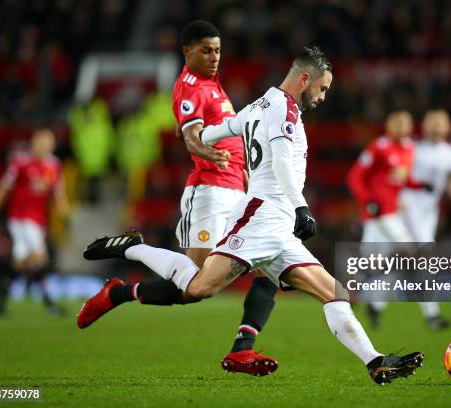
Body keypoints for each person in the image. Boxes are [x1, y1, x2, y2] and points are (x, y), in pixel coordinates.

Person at [77, 47, 424, 385]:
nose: (322, 96)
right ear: (304, 79)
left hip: (279, 228)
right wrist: (301, 206)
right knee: (198, 287)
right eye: (322, 88)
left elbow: (214, 132)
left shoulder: (258, 105)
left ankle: (375, 362)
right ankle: (133, 249)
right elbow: (282, 163)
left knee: (335, 292)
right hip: (259, 218)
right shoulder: (285, 112)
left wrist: (202, 142)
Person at [170, 20, 280, 376]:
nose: (215, 56)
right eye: (206, 50)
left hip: (237, 188)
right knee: (196, 282)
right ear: (187, 51)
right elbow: (190, 136)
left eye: (217, 50)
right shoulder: (189, 88)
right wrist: (207, 152)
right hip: (210, 190)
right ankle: (129, 257)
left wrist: (245, 171)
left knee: (272, 266)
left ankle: (242, 347)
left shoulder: (213, 85)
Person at [346, 111, 450, 330]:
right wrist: (368, 200)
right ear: (389, 125)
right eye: (398, 122)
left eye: (406, 123)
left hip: (388, 214)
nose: (402, 126)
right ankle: (430, 314)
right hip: (380, 213)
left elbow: (401, 178)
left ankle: (371, 303)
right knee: (413, 251)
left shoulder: (409, 148)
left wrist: (419, 185)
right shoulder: (379, 147)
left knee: (375, 263)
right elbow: (354, 176)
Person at [0, 128, 70, 316]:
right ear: (33, 144)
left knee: (20, 262)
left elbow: (58, 193)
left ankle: (0, 301)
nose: (44, 146)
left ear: (53, 145)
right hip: (21, 218)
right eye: (40, 142)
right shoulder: (21, 163)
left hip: (39, 220)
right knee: (41, 257)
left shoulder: (54, 165)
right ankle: (49, 303)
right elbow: (3, 188)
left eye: (48, 143)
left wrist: (65, 215)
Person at [400, 110, 451, 243]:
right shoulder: (411, 147)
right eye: (433, 122)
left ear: (448, 126)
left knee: (422, 247)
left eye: (440, 122)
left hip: (429, 208)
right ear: (424, 125)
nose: (436, 126)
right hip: (407, 204)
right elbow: (397, 174)